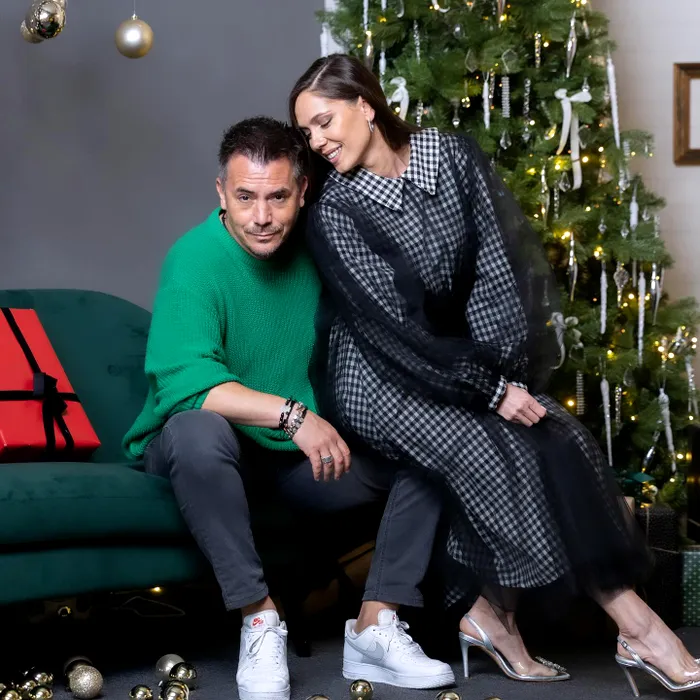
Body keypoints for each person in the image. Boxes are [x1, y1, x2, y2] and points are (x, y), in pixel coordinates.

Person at [289, 54, 700, 694]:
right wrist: (489, 393)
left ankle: (491, 616)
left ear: (365, 105)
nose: (316, 142)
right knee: (486, 444)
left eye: (324, 122)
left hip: (461, 361)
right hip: (377, 379)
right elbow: (394, 335)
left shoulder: (451, 158)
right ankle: (640, 629)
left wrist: (504, 378)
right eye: (306, 132)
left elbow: (497, 275)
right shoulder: (335, 210)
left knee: (558, 433)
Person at [122, 117, 456, 700]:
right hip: (202, 452)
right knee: (199, 428)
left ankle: (376, 622)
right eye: (245, 197)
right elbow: (186, 386)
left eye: (277, 197)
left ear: (302, 192)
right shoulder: (194, 259)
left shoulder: (319, 249)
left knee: (432, 444)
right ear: (221, 192)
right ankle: (259, 617)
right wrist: (293, 416)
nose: (261, 216)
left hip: (294, 465)